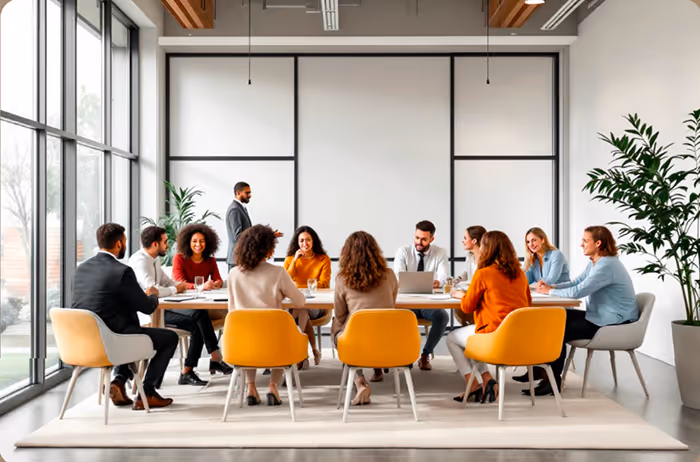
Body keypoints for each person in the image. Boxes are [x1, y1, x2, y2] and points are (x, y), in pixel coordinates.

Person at [71, 223, 177, 411]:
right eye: (125, 241)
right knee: (169, 338)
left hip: (83, 344)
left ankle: (119, 381)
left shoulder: (81, 270)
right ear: (119, 244)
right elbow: (146, 308)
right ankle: (148, 392)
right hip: (114, 342)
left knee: (128, 327)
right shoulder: (122, 271)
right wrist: (152, 294)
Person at [525, 225, 639, 396]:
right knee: (552, 317)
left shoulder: (606, 266)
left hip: (613, 322)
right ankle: (542, 372)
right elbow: (575, 283)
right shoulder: (596, 262)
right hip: (600, 317)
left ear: (598, 243)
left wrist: (549, 291)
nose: (581, 245)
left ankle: (552, 381)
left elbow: (578, 291)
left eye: (585, 241)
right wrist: (552, 286)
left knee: (557, 327)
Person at [129, 226, 233, 387]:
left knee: (199, 319)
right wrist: (176, 288)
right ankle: (214, 359)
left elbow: (168, 282)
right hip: (153, 313)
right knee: (200, 316)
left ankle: (188, 371)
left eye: (202, 241)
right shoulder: (140, 261)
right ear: (156, 244)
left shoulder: (155, 261)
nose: (167, 244)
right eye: (165, 241)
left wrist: (178, 286)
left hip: (167, 308)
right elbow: (152, 290)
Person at [448, 231, 531, 404]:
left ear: (487, 249)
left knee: (453, 339)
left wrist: (461, 295)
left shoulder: (483, 273)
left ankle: (473, 385)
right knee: (472, 335)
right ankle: (487, 380)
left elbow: (466, 307)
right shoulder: (521, 275)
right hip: (519, 338)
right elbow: (528, 305)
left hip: (493, 337)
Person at [227, 225, 306, 407]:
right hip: (275, 345)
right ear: (268, 249)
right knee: (283, 335)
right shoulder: (277, 273)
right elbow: (301, 302)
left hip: (242, 344)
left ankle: (251, 388)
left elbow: (232, 310)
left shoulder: (234, 274)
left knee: (250, 333)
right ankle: (272, 387)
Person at [333, 231, 399, 406]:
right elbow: (391, 304)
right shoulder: (390, 275)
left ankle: (359, 380)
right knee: (372, 324)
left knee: (339, 332)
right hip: (389, 341)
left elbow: (339, 315)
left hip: (356, 342)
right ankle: (376, 369)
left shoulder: (342, 279)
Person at [393, 220, 450, 373]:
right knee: (395, 318)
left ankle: (425, 355)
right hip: (406, 302)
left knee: (442, 316)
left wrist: (439, 282)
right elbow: (399, 278)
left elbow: (444, 277)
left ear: (432, 239)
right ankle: (404, 356)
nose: (419, 242)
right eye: (417, 237)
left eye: (424, 239)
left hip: (427, 302)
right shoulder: (403, 251)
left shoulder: (440, 253)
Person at [283, 225, 332, 366]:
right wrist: (294, 260)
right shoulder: (290, 260)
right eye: (302, 241)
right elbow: (285, 280)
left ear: (314, 241)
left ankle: (297, 353)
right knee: (301, 309)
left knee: (299, 310)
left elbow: (324, 283)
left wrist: (298, 288)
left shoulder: (323, 259)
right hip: (295, 304)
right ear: (297, 243)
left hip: (317, 304)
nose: (305, 244)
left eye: (308, 240)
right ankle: (311, 351)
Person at [225, 181, 283, 271]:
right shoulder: (235, 210)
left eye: (250, 192)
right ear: (238, 193)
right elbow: (238, 236)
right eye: (247, 193)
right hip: (237, 258)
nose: (250, 195)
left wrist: (269, 235)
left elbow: (247, 233)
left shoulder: (240, 208)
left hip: (241, 258)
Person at [172, 223, 224, 291]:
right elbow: (179, 283)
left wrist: (217, 283)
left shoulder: (211, 260)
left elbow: (218, 279)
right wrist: (200, 287)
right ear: (188, 243)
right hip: (184, 296)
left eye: (202, 241)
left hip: (204, 297)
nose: (198, 244)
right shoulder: (179, 258)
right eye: (194, 241)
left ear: (207, 243)